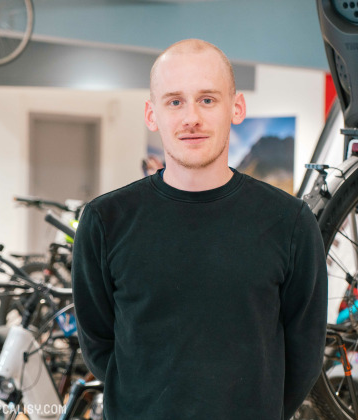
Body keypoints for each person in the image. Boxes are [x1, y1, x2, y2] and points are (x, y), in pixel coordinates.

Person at [72, 39, 328, 420]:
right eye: (175, 101)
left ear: (236, 107)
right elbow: (99, 344)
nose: (191, 117)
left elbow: (303, 356)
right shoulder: (104, 221)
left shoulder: (289, 223)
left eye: (207, 99)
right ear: (151, 113)